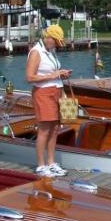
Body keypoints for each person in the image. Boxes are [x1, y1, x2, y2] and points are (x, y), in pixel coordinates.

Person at [25, 24, 72, 178]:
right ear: (48, 38)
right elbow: (30, 78)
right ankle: (41, 165)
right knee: (44, 129)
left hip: (57, 91)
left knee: (55, 128)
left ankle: (51, 163)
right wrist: (54, 75)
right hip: (43, 93)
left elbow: (52, 72)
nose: (57, 44)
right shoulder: (36, 52)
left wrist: (60, 74)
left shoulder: (51, 51)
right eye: (56, 41)